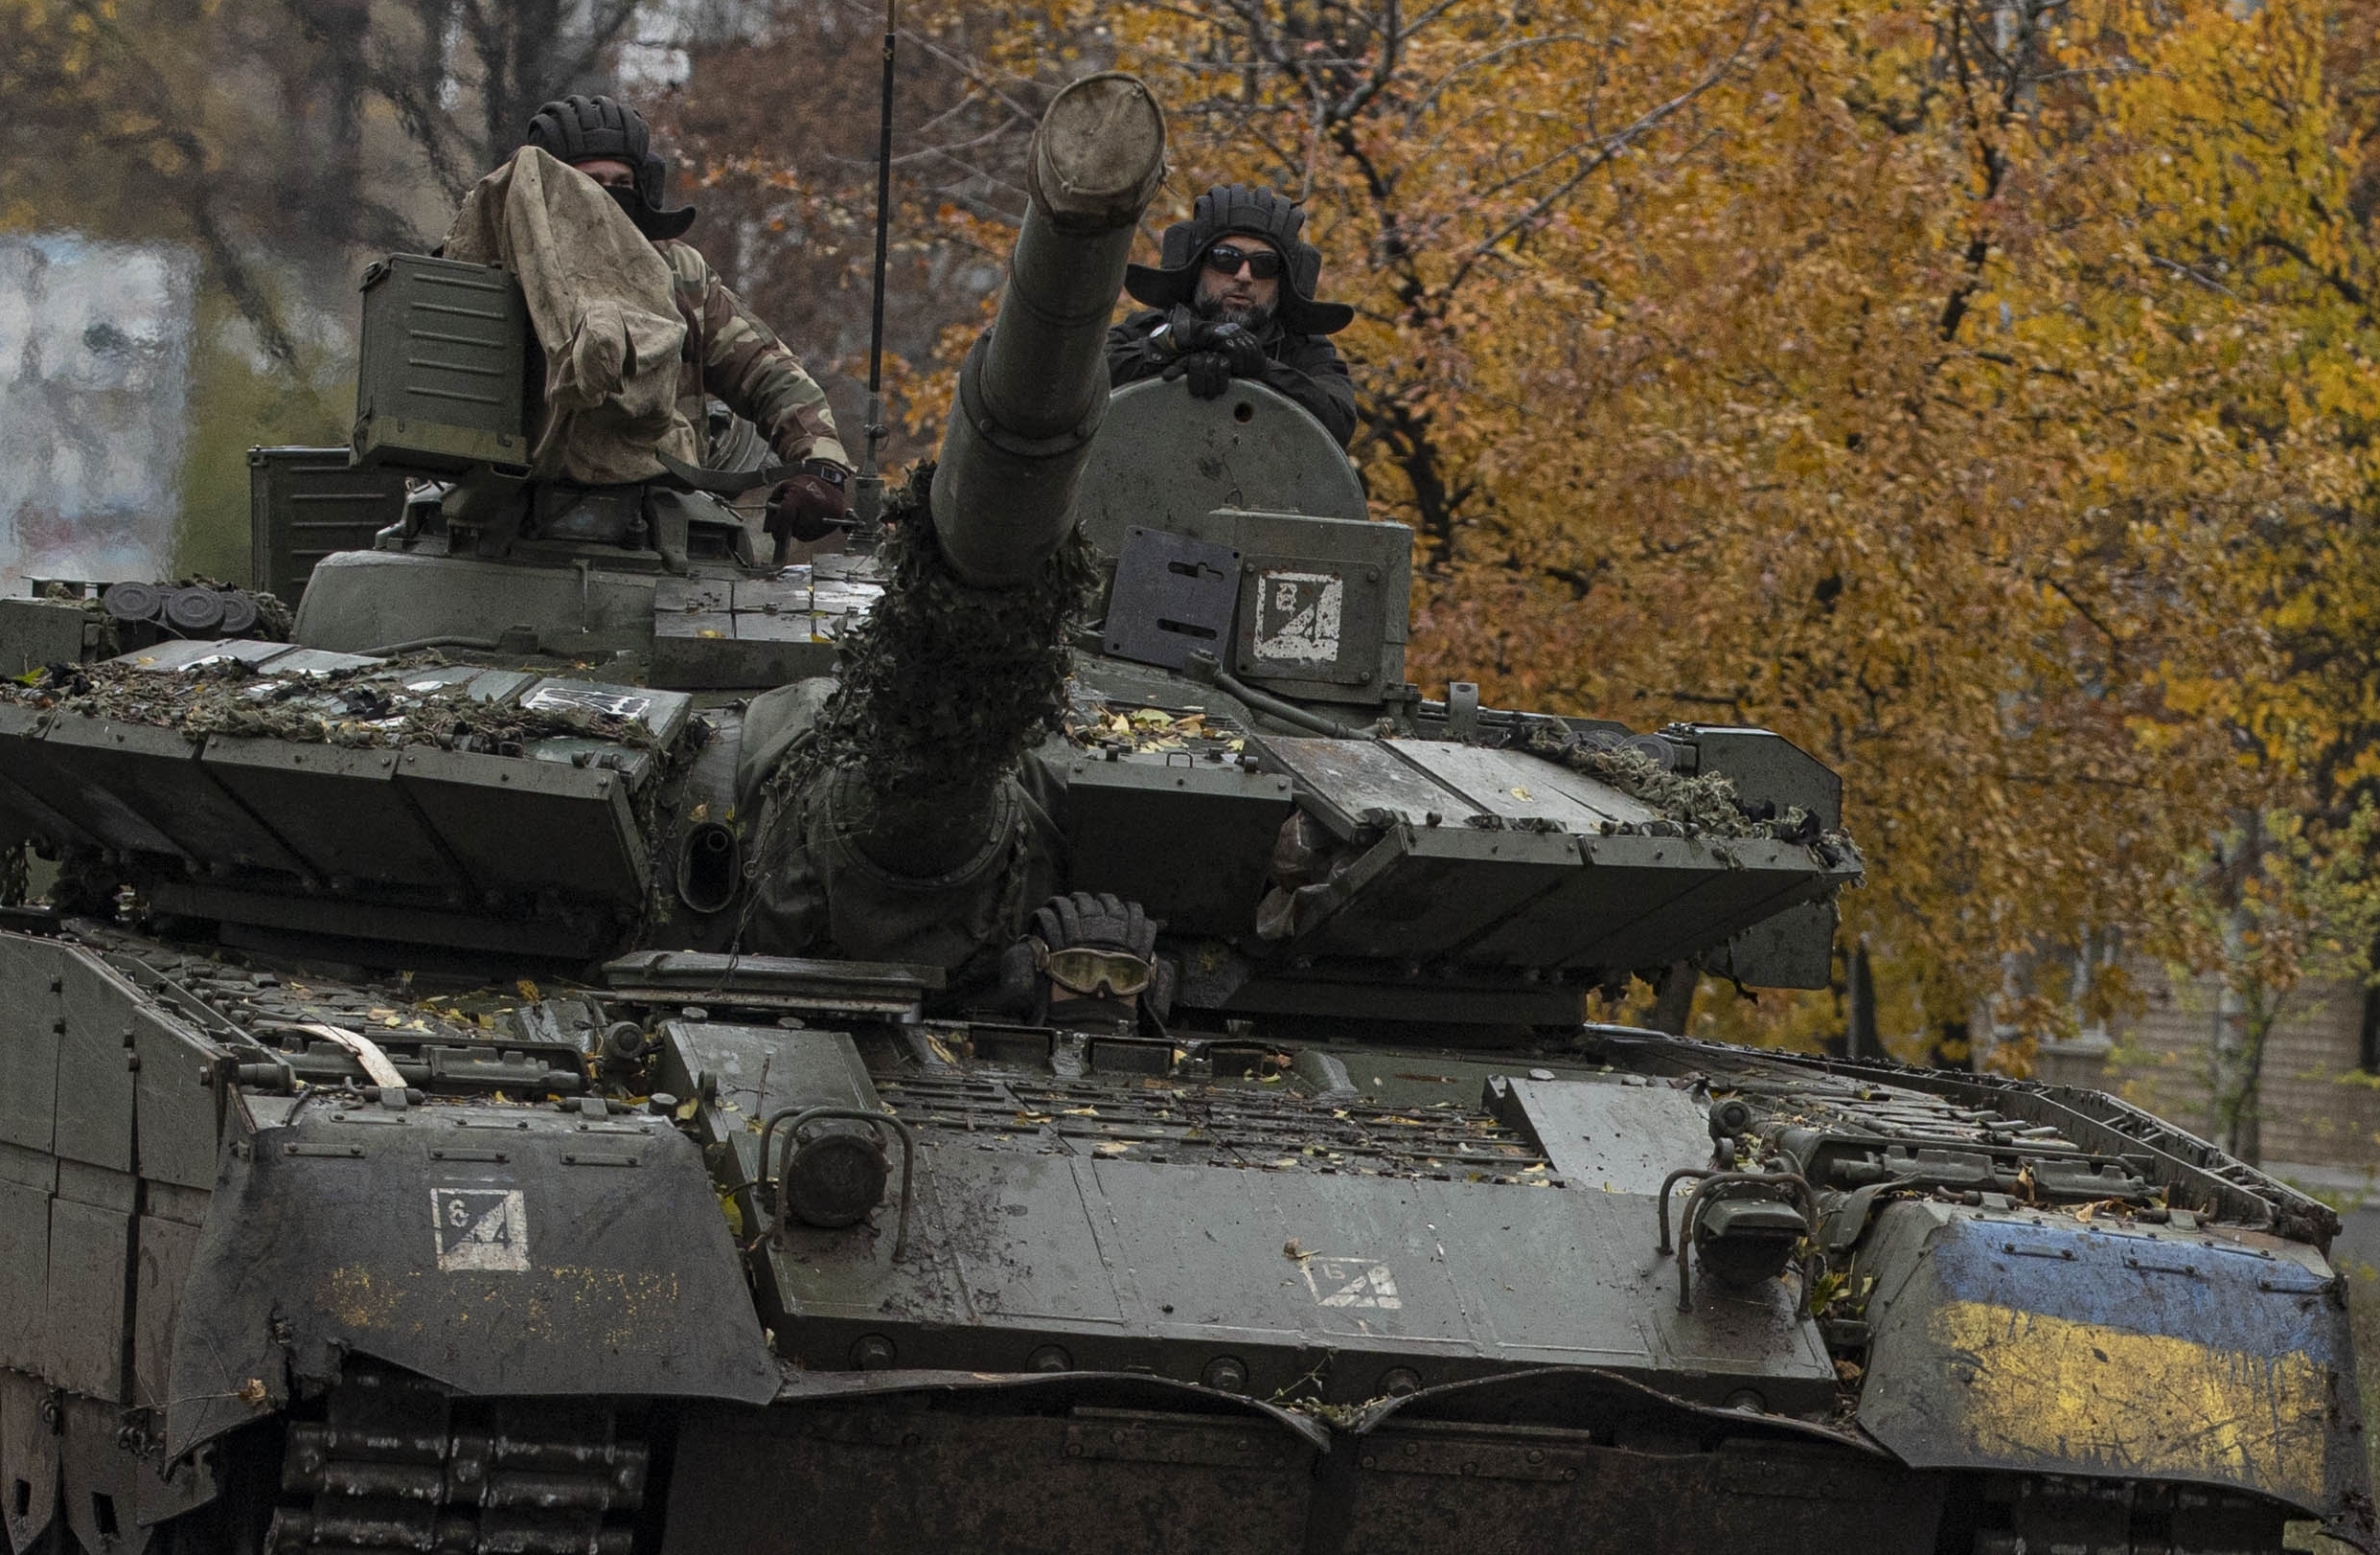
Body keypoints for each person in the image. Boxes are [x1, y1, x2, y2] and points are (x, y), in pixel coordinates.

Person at [449, 95, 852, 547]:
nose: (607, 196)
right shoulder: (499, 275)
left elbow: (766, 371)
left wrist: (822, 467)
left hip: (657, 527)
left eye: (622, 181)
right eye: (590, 183)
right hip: (508, 529)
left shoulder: (679, 277)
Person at [1106, 184, 1357, 447]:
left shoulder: (1305, 351)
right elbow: (1081, 382)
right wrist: (1175, 347)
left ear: (1282, 282)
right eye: (1226, 258)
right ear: (1199, 266)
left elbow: (1339, 422)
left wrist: (1262, 372)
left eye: (1265, 264)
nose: (1244, 276)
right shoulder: (1146, 329)